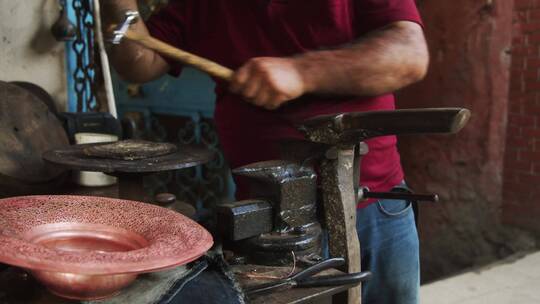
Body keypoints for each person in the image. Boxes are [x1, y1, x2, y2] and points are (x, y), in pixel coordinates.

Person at [103, 1, 429, 303]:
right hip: (266, 224)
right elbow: (140, 62)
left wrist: (302, 72)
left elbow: (409, 54)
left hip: (373, 205)